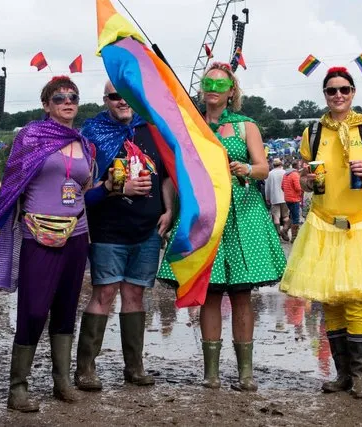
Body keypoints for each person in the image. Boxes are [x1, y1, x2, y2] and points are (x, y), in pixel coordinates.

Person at [157, 62, 286, 391]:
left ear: (232, 92)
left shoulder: (246, 126)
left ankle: (245, 373)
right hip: (203, 216)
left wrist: (245, 167)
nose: (213, 89)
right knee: (210, 296)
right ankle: (211, 373)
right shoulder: (190, 125)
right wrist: (171, 210)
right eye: (207, 83)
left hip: (241, 216)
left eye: (220, 84)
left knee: (242, 296)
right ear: (202, 89)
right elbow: (175, 172)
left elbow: (262, 168)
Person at [280, 67, 362, 399]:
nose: (338, 96)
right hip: (322, 224)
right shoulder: (312, 132)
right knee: (330, 303)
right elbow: (306, 180)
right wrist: (306, 181)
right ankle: (342, 375)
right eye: (332, 91)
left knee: (356, 302)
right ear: (325, 94)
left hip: (359, 225)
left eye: (344, 90)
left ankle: (360, 377)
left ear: (353, 93)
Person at [0, 76, 92, 412]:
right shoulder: (31, 137)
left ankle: (62, 382)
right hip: (38, 235)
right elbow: (12, 186)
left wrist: (118, 188)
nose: (67, 102)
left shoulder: (83, 143)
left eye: (73, 97)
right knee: (34, 308)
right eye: (59, 98)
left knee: (68, 307)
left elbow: (84, 188)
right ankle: (18, 388)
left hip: (77, 234)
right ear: (46, 105)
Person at [73, 81, 173, 391]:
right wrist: (119, 188)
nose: (122, 101)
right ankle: (86, 369)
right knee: (104, 294)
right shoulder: (92, 134)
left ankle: (134, 367)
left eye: (127, 95)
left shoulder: (152, 129)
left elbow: (168, 176)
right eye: (115, 96)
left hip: (147, 230)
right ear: (105, 100)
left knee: (135, 295)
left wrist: (168, 211)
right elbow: (83, 188)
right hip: (108, 230)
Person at [265, 157, 290, 240]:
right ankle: (285, 231)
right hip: (285, 197)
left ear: (273, 165)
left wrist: (267, 198)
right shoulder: (285, 172)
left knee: (276, 217)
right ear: (281, 164)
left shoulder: (270, 174)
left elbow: (267, 187)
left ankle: (278, 234)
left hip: (274, 198)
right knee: (286, 216)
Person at [282, 159, 303, 241]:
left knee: (292, 216)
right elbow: (298, 188)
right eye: (300, 165)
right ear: (297, 166)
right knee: (296, 218)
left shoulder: (286, 174)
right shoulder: (295, 174)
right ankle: (294, 237)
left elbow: (282, 187)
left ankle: (284, 230)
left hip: (287, 198)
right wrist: (302, 190)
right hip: (294, 199)